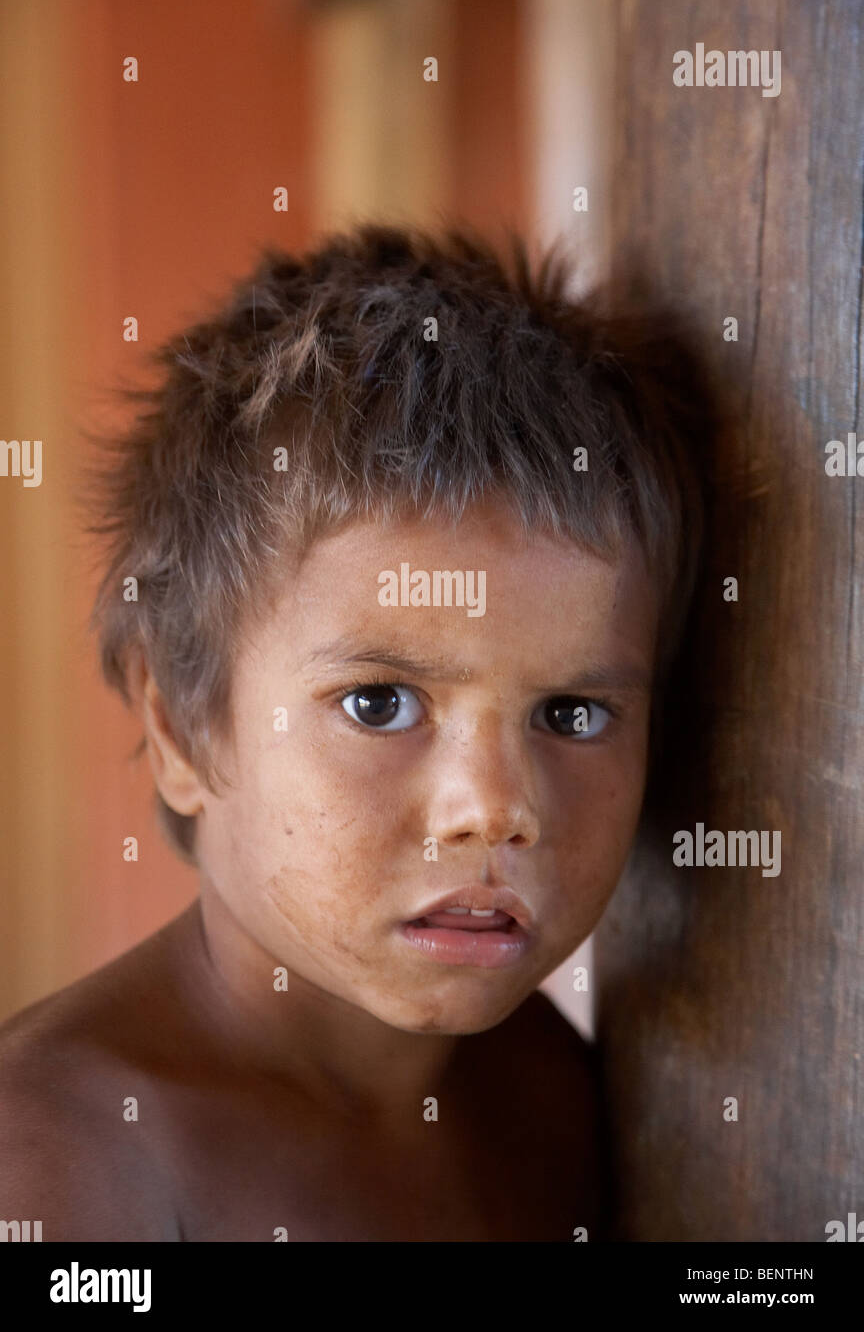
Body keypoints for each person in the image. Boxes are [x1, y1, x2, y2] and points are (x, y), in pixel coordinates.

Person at [0, 223, 705, 1241]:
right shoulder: (63, 1166)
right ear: (182, 725)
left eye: (572, 713)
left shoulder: (555, 1089)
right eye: (381, 703)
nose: (494, 809)